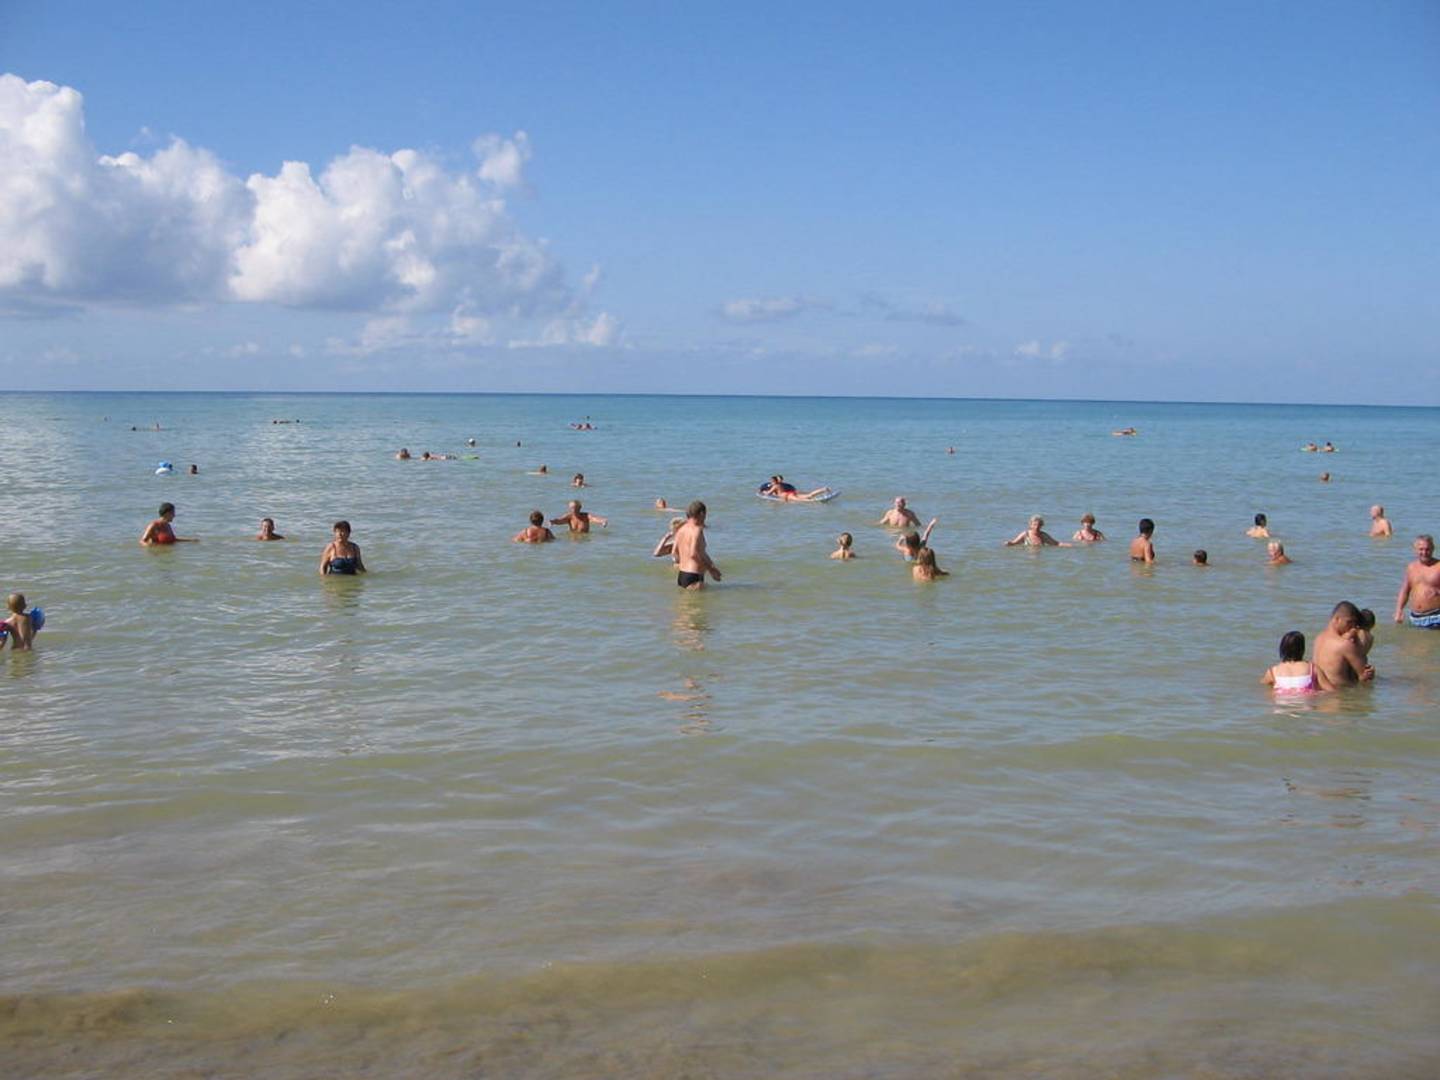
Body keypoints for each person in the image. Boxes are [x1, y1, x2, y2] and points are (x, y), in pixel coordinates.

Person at [1313, 601, 1374, 689]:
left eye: (1354, 623)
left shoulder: (1318, 638)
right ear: (1337, 619)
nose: (1352, 627)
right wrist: (1370, 672)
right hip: (1339, 694)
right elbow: (1364, 677)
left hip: (1320, 692)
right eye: (1349, 622)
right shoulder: (1344, 645)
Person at [672, 500, 721, 589]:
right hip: (694, 576)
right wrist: (711, 570)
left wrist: (684, 563)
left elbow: (674, 552)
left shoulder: (681, 529)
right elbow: (693, 553)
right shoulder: (696, 530)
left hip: (682, 575)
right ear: (701, 514)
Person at [1394, 534, 1440, 627]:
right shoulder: (1411, 567)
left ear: (1433, 549)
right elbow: (1405, 590)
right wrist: (1399, 610)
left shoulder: (1438, 566)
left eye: (1427, 549)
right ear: (1415, 550)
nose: (1424, 552)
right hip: (1415, 618)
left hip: (1436, 617)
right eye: (1421, 549)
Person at [1005, 515, 1070, 547]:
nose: (1036, 527)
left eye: (1039, 525)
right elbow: (1014, 543)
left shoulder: (1043, 535)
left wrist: (1068, 545)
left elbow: (1056, 544)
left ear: (1042, 525)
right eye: (1034, 525)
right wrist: (1009, 543)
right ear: (1030, 525)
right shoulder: (1025, 534)